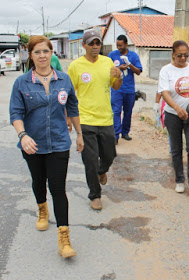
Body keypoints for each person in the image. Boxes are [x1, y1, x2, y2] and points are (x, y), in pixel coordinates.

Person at [9, 35, 84, 258]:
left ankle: (64, 238)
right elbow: (16, 113)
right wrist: (23, 135)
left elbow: (73, 108)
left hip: (59, 142)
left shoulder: (64, 79)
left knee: (58, 189)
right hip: (32, 144)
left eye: (46, 51)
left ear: (52, 53)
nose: (42, 56)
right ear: (30, 55)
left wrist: (79, 134)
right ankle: (42, 210)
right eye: (37, 52)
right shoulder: (21, 83)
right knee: (38, 181)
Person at [68, 30, 122, 210]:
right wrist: (69, 117)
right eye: (91, 43)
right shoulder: (76, 66)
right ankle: (95, 195)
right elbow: (69, 94)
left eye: (97, 43)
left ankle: (102, 171)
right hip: (85, 119)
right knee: (90, 160)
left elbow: (115, 86)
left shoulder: (107, 62)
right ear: (84, 45)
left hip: (106, 119)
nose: (95, 46)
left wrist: (119, 76)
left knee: (109, 155)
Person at [158, 40, 189, 199]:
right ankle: (179, 180)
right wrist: (177, 108)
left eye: (185, 55)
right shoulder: (166, 70)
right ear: (173, 55)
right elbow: (165, 92)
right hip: (172, 115)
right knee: (176, 149)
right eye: (179, 55)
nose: (183, 58)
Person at [108, 35, 142, 144]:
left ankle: (125, 132)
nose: (119, 47)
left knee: (128, 112)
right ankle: (115, 135)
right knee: (116, 111)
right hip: (116, 89)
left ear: (126, 44)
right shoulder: (112, 55)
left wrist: (129, 64)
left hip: (129, 90)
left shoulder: (133, 55)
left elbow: (138, 71)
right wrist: (119, 68)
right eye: (117, 45)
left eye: (121, 45)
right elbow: (107, 70)